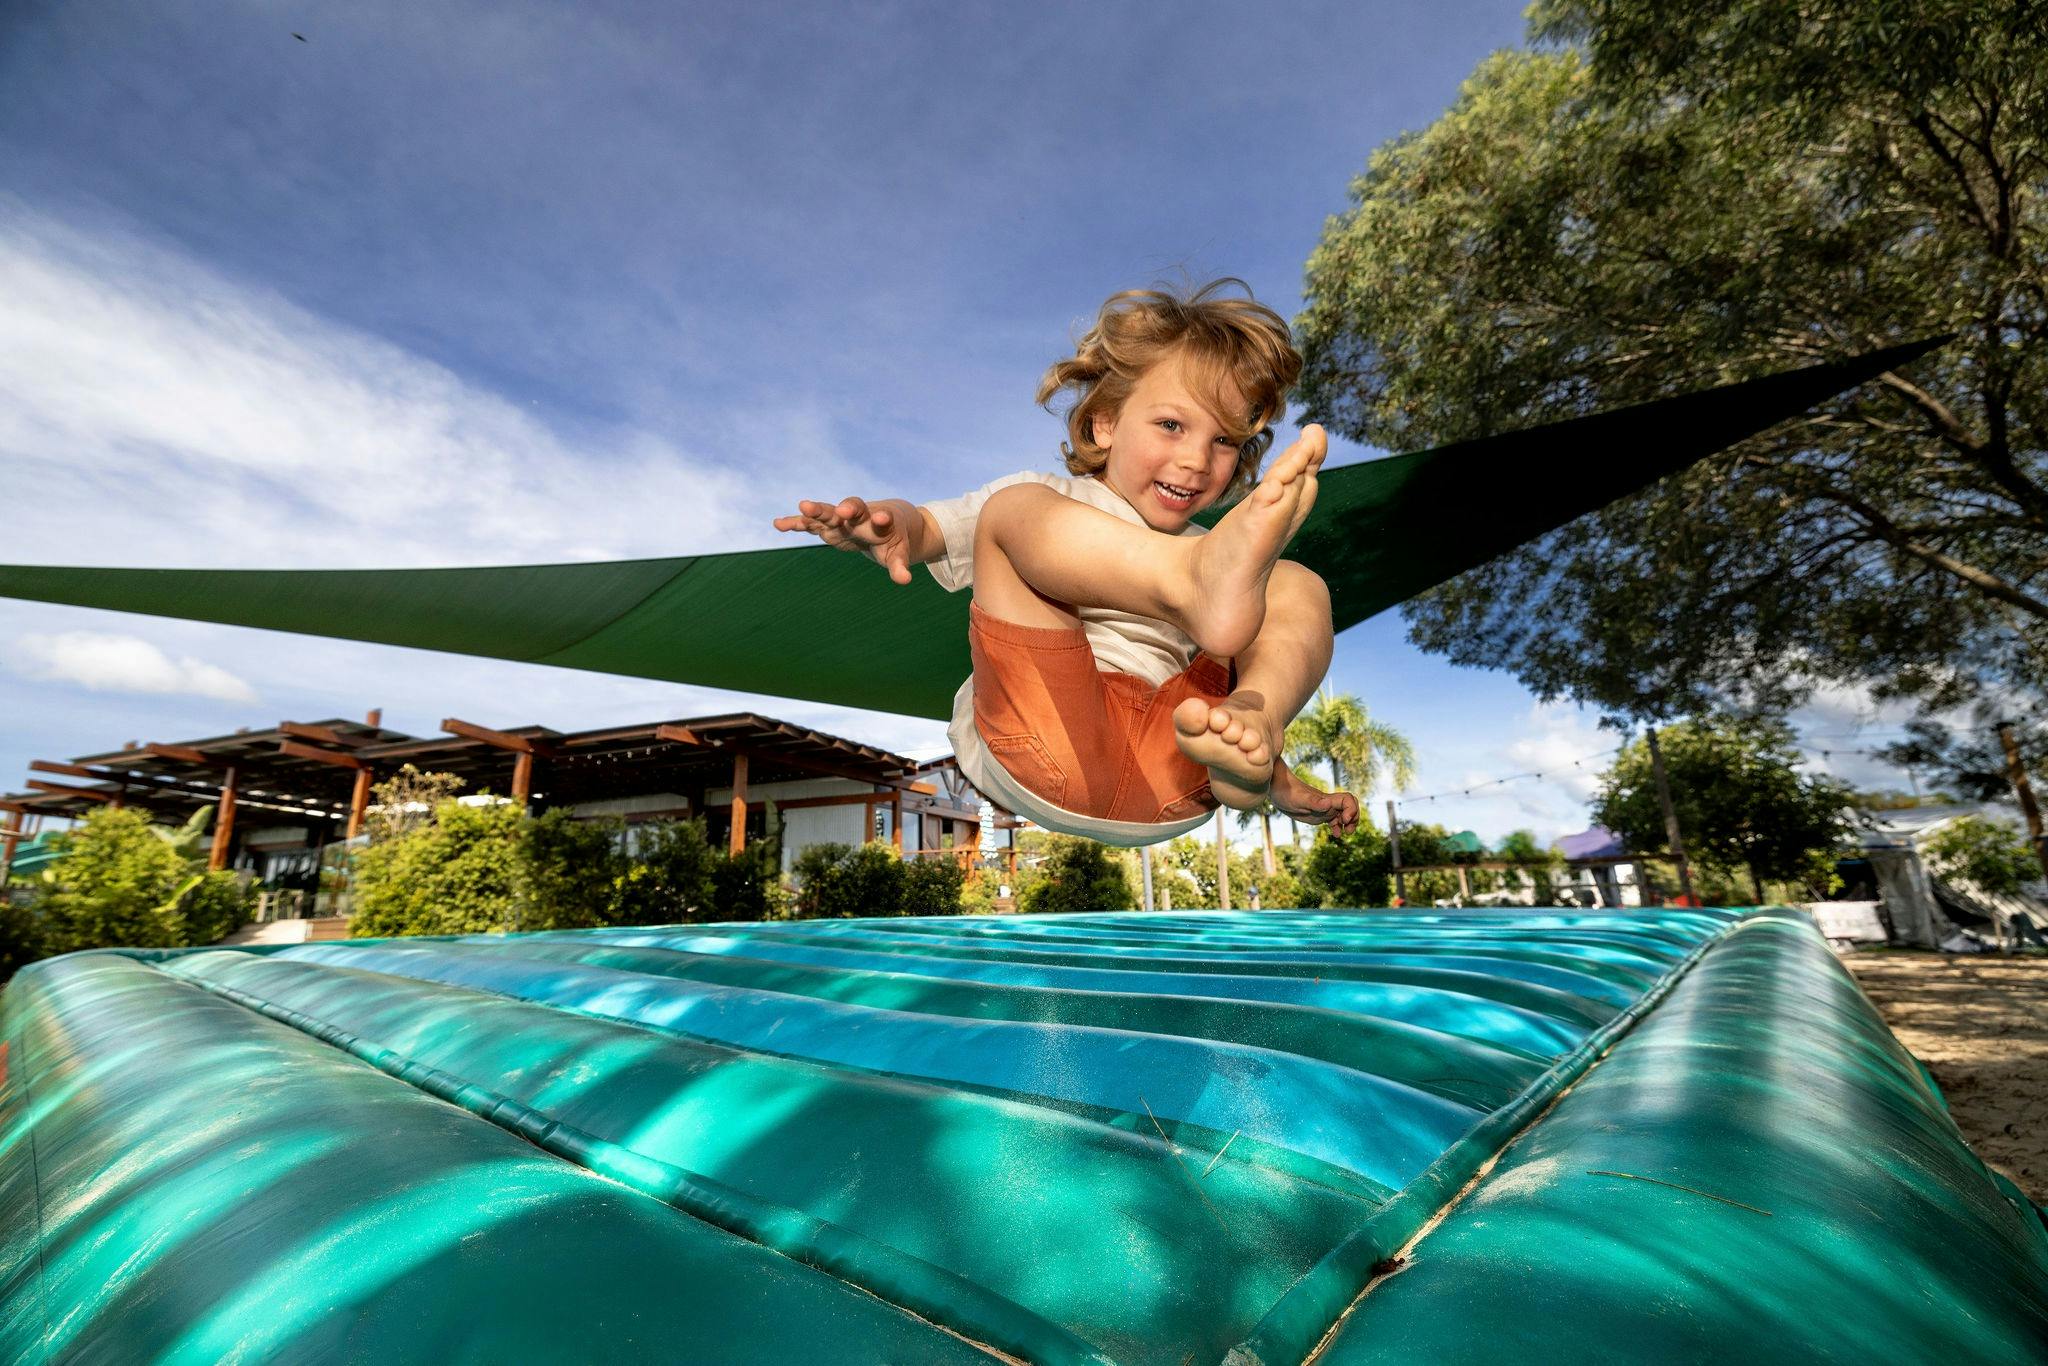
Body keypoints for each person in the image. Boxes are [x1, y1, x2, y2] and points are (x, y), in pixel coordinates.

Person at [774, 280, 1360, 846]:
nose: (1196, 459)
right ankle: (1186, 593)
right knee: (1010, 511)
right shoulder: (1055, 502)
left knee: (1293, 583)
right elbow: (929, 527)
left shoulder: (1226, 559)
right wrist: (894, 524)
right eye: (1171, 425)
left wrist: (1258, 754)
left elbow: (1260, 643)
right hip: (1052, 730)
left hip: (1180, 757)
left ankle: (1256, 724)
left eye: (1224, 440)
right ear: (1105, 424)